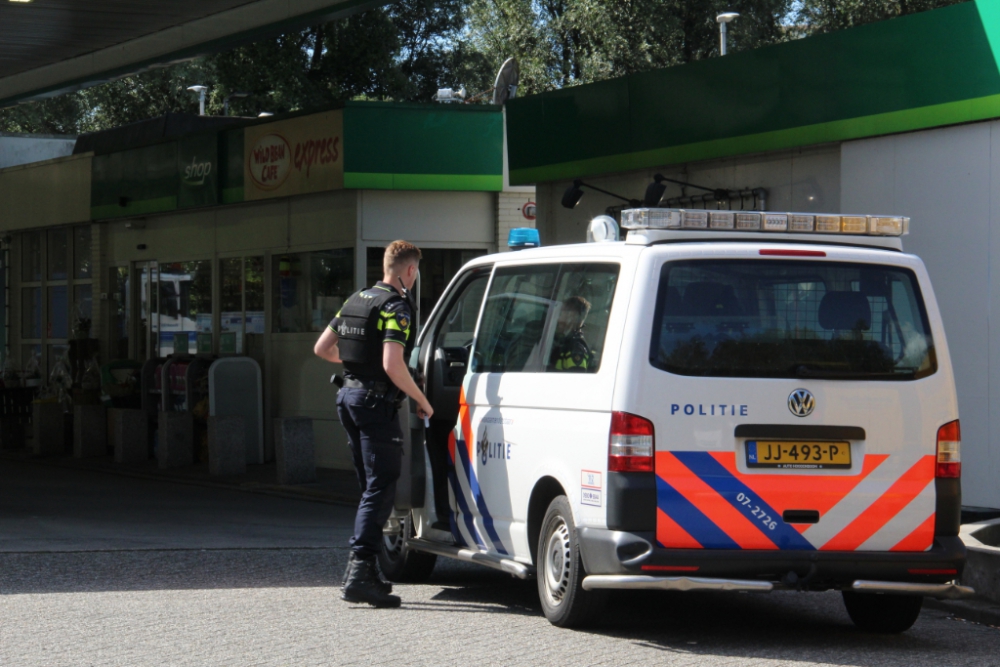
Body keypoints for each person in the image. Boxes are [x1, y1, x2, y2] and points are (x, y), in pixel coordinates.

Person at [313, 240, 434, 608]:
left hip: (348, 398)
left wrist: (356, 367)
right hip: (373, 403)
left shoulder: (358, 299)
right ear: (409, 271)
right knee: (381, 487)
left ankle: (366, 572)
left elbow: (323, 349)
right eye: (416, 272)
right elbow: (393, 365)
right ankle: (360, 572)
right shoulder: (396, 306)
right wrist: (421, 399)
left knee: (371, 488)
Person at [550, 296, 593, 371]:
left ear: (572, 317)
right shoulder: (565, 342)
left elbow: (575, 381)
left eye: (561, 314)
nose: (558, 319)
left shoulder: (576, 349)